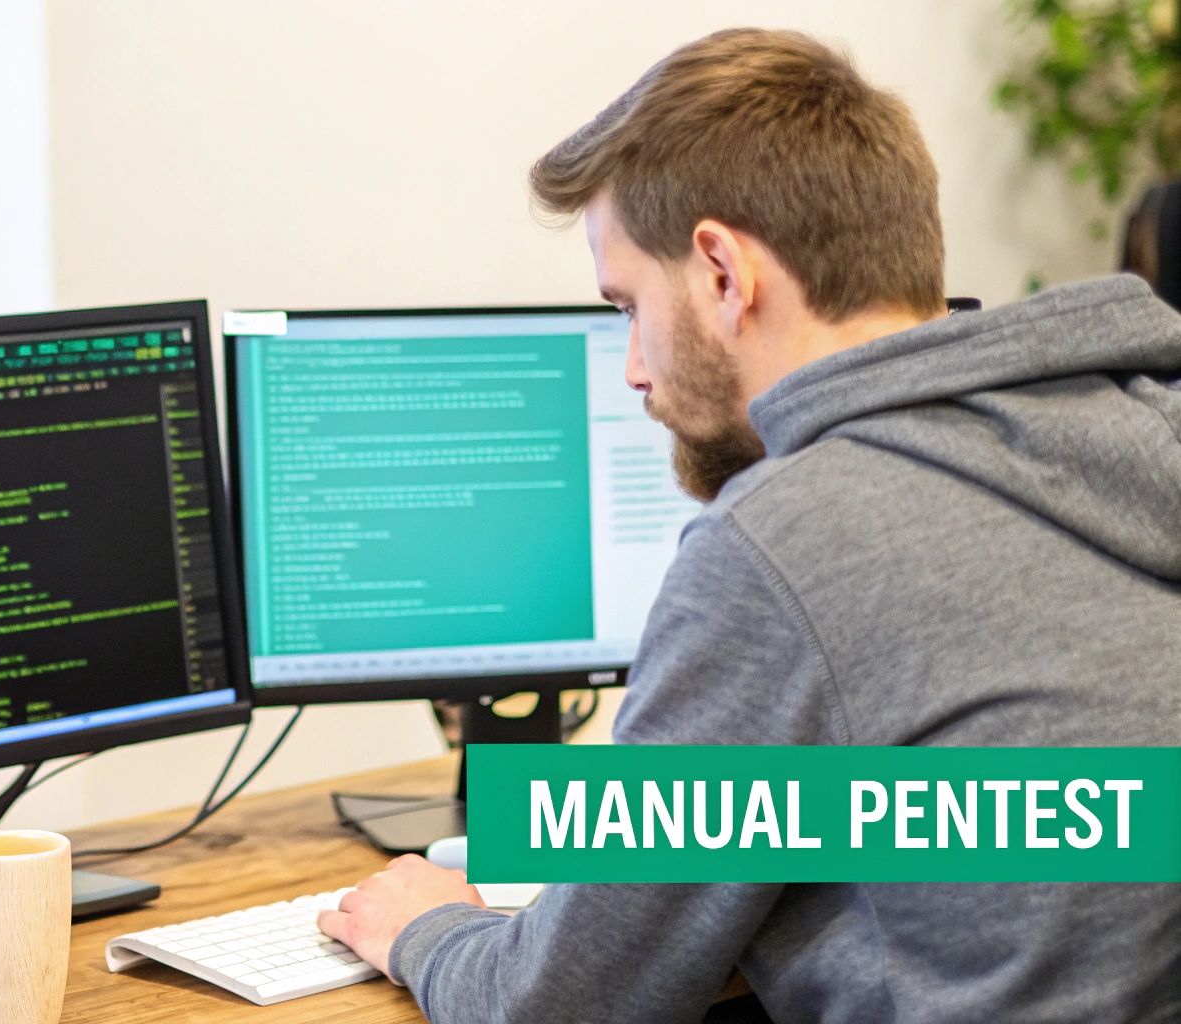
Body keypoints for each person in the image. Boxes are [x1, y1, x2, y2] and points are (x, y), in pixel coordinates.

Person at [318, 27, 1181, 1023]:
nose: (634, 368)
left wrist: (428, 922)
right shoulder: (1131, 427)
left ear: (723, 271)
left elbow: (558, 1004)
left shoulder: (792, 536)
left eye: (627, 306)